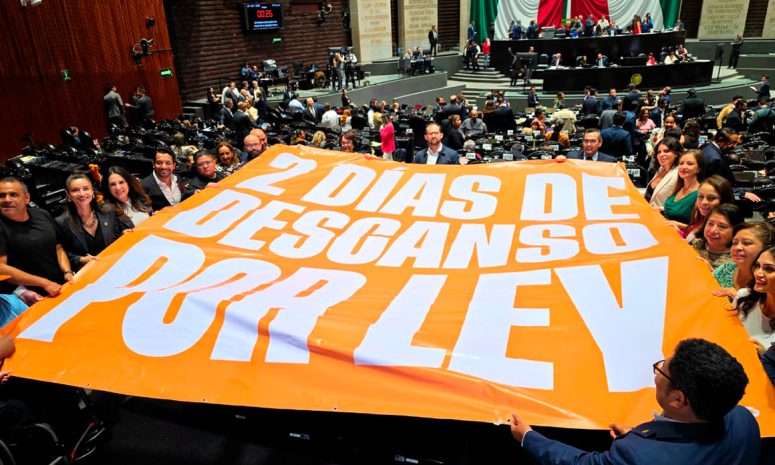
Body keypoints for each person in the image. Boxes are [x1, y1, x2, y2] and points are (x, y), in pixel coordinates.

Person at [509, 338, 760, 465]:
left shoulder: (637, 456)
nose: (656, 374)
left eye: (661, 370)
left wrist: (528, 437)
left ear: (678, 399)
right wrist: (645, 438)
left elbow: (581, 463)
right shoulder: (744, 419)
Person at [0, 177, 72, 297]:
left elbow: (58, 248)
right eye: (2, 196)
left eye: (13, 195)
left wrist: (67, 271)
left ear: (26, 198)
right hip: (33, 297)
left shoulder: (42, 214)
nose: (7, 200)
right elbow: (1, 268)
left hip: (63, 287)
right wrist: (44, 283)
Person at [56, 173, 127, 272]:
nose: (82, 194)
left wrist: (124, 235)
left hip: (116, 265)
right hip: (89, 272)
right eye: (75, 190)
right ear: (68, 194)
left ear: (92, 191)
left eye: (86, 189)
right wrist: (81, 259)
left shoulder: (108, 211)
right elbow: (64, 254)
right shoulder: (61, 223)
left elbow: (117, 237)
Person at [714, 222, 774, 297]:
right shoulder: (727, 268)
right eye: (735, 243)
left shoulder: (768, 281)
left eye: (746, 243)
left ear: (767, 248)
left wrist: (737, 297)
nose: (737, 247)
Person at [733, 246, 775, 349]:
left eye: (769, 269)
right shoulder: (744, 297)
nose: (758, 273)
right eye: (757, 265)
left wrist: (766, 355)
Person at [691, 203, 743, 269]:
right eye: (710, 224)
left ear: (737, 231)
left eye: (722, 226)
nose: (713, 231)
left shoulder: (735, 261)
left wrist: (712, 272)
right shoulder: (698, 243)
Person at [662, 150, 704, 224]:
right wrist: (662, 210)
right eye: (681, 163)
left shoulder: (700, 193)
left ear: (699, 169)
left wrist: (678, 225)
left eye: (689, 164)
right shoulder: (679, 186)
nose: (683, 167)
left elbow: (698, 227)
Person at [645, 138, 681, 208]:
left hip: (662, 214)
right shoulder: (661, 168)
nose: (661, 154)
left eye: (666, 151)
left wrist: (662, 209)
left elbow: (681, 202)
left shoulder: (679, 173)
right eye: (659, 152)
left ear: (676, 154)